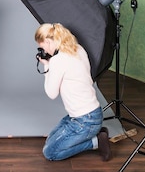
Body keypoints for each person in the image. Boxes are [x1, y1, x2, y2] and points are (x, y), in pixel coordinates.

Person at [34, 23, 111, 161]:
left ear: (48, 41)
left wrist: (47, 66)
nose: (43, 50)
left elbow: (51, 94)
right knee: (51, 140)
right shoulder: (78, 49)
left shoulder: (58, 61)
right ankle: (96, 135)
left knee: (50, 152)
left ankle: (96, 141)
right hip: (87, 115)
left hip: (84, 121)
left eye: (42, 47)